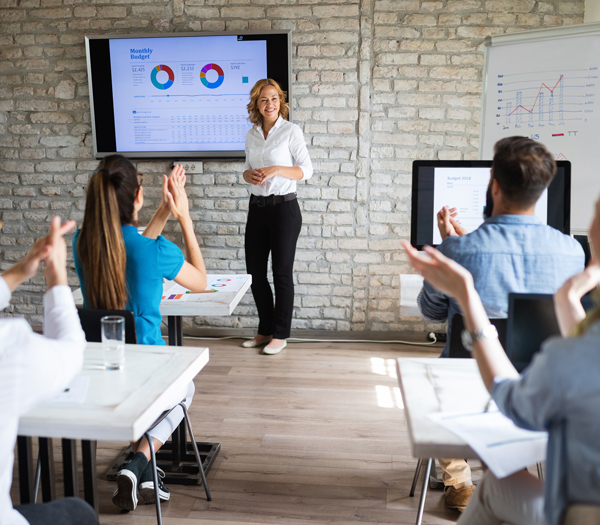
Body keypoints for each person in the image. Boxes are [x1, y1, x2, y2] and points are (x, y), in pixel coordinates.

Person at [401, 190, 600, 525]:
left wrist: (465, 287)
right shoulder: (569, 253)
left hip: (579, 511)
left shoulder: (576, 356)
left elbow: (515, 400)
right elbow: (582, 349)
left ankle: (458, 479)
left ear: (495, 188)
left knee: (448, 365)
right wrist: (568, 294)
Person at [73, 155, 207, 511]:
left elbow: (128, 246)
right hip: (150, 372)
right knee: (187, 387)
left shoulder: (83, 243)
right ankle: (139, 461)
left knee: (165, 397)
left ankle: (147, 476)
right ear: (136, 198)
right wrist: (184, 216)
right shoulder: (155, 250)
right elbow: (201, 280)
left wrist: (163, 211)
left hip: (104, 373)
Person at [0, 216, 98, 525]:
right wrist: (55, 272)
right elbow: (71, 349)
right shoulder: (10, 347)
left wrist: (18, 272)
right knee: (79, 512)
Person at [241, 78, 313, 355]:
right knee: (255, 273)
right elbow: (247, 169)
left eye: (273, 98)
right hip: (257, 207)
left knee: (281, 273)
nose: (269, 104)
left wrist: (277, 169)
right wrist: (248, 174)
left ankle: (280, 335)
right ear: (256, 105)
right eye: (263, 99)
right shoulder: (252, 134)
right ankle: (265, 330)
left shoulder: (291, 131)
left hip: (285, 210)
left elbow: (306, 170)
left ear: (280, 102)